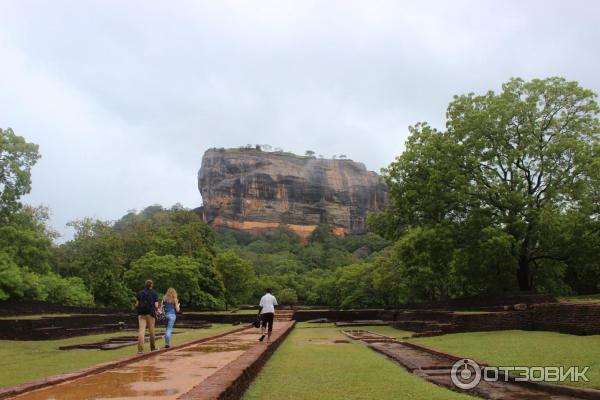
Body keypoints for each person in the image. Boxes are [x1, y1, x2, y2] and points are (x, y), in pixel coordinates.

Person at [136, 279, 159, 353]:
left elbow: (137, 304)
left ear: (145, 285)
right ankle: (152, 347)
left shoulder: (139, 293)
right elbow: (156, 305)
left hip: (141, 313)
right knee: (151, 331)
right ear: (151, 285)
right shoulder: (154, 293)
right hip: (150, 313)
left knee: (141, 331)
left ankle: (140, 349)